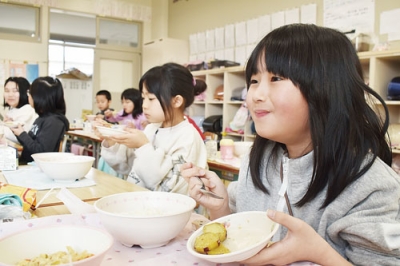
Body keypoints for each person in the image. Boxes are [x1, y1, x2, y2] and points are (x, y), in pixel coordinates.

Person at [181, 24, 400, 265]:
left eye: (275, 78)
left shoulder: (372, 187)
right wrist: (221, 209)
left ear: (327, 88)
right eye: (254, 80)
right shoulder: (260, 158)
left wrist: (317, 253)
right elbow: (242, 239)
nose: (255, 95)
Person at [98, 62, 208, 194]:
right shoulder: (152, 128)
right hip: (138, 203)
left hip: (163, 210)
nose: (144, 105)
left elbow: (172, 188)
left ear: (176, 101)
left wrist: (143, 146)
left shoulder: (188, 138)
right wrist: (111, 140)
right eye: (143, 98)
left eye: (151, 98)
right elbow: (127, 167)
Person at [11, 77, 70, 164]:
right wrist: (18, 133)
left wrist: (22, 134)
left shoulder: (54, 122)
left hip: (35, 168)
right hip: (28, 163)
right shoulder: (41, 118)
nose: (29, 95)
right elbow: (31, 144)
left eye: (30, 93)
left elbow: (41, 152)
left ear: (40, 97)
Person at [2, 77, 38, 143]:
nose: (10, 95)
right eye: (7, 91)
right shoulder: (12, 109)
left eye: (15, 91)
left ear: (25, 92)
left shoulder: (28, 110)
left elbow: (17, 137)